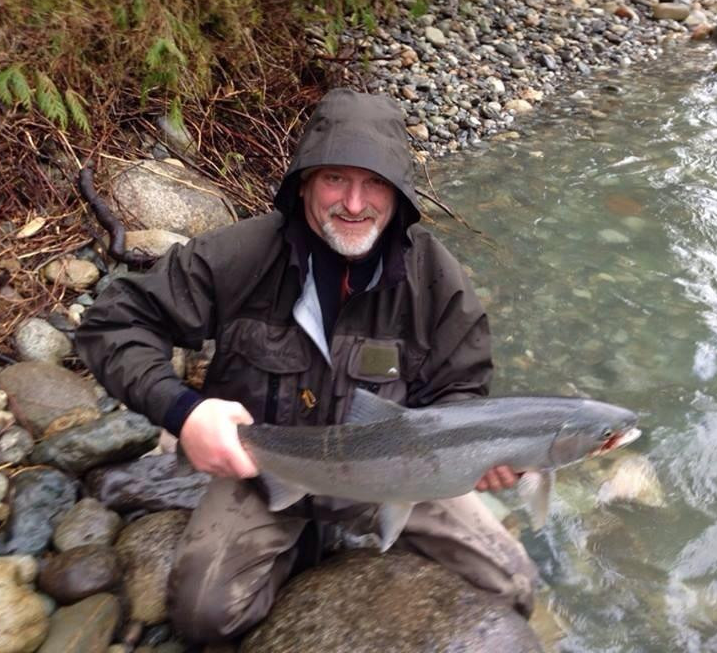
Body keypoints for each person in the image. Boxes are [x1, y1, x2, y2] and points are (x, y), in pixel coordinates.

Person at [75, 88, 537, 644]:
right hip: (262, 469)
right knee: (204, 617)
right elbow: (113, 323)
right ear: (304, 183)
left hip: (396, 475)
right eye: (335, 179)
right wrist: (184, 412)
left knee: (512, 588)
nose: (355, 203)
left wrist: (476, 456)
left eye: (375, 184)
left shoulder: (436, 281)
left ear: (399, 196)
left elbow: (460, 392)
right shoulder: (242, 254)